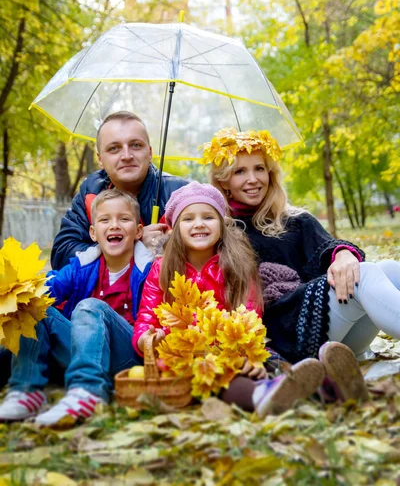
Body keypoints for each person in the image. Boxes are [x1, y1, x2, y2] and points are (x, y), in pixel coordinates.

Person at [131, 182, 365, 417]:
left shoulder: (237, 264)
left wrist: (246, 354)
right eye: (188, 218)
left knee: (270, 361)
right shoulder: (162, 269)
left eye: (208, 217)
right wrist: (144, 339)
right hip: (184, 355)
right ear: (174, 228)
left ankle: (327, 386)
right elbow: (147, 315)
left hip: (233, 344)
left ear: (222, 224)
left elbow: (250, 313)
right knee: (217, 373)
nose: (199, 224)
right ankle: (261, 395)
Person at [205, 127, 400, 365]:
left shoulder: (295, 220)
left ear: (270, 174)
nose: (253, 179)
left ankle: (347, 361)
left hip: (330, 329)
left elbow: (329, 246)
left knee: (391, 269)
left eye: (259, 169)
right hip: (279, 338)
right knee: (367, 273)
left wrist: (344, 255)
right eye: (240, 171)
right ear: (224, 181)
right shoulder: (220, 229)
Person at [0, 189, 153, 426]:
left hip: (125, 359)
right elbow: (52, 286)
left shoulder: (148, 270)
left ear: (138, 230)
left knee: (90, 306)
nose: (114, 225)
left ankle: (88, 391)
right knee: (32, 303)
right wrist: (19, 290)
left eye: (124, 219)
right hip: (83, 354)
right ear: (93, 233)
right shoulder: (82, 267)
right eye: (104, 220)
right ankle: (27, 390)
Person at [51, 111, 187, 270]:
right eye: (114, 148)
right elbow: (62, 255)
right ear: (100, 159)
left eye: (136, 145)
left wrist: (167, 246)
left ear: (149, 153)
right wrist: (134, 245)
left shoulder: (180, 193)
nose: (127, 156)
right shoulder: (91, 191)